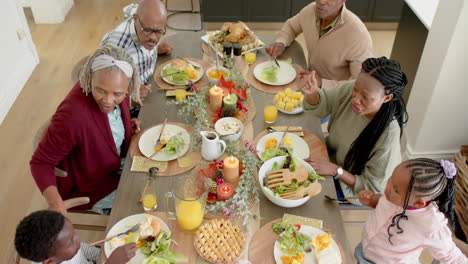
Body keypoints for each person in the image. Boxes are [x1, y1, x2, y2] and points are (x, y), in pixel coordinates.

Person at [30, 45, 141, 216]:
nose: (108, 101)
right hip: (91, 186)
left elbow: (103, 129)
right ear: (89, 77)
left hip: (115, 164)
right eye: (100, 90)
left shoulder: (118, 87)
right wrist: (54, 202)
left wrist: (124, 127)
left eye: (117, 94)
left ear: (128, 86)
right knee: (141, 203)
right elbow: (41, 162)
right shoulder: (72, 115)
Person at [301, 57, 408, 202]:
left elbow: (372, 188)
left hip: (349, 187)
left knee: (305, 196)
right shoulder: (353, 89)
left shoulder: (388, 134)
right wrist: (312, 92)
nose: (356, 99)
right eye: (356, 89)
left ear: (387, 98)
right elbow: (323, 103)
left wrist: (335, 170)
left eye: (365, 97)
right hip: (328, 158)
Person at [355, 159, 468, 263]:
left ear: (418, 203)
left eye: (395, 189)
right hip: (366, 250)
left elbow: (452, 256)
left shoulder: (431, 225)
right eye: (391, 178)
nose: (387, 187)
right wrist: (370, 200)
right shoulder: (393, 195)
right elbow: (381, 202)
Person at [266, 0, 373, 88]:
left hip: (334, 97)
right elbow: (291, 26)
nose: (321, 2)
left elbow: (361, 85)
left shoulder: (358, 34)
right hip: (307, 84)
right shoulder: (310, 10)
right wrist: (281, 42)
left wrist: (322, 82)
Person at [100, 0, 173, 103]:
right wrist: (129, 98)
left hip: (150, 83)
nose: (153, 38)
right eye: (147, 30)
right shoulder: (115, 50)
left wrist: (155, 48)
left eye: (159, 31)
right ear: (135, 19)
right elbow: (102, 96)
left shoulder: (146, 20)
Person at [15, 210, 136, 264]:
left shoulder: (65, 249)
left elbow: (84, 250)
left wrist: (104, 255)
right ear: (50, 262)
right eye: (71, 241)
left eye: (74, 233)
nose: (77, 238)